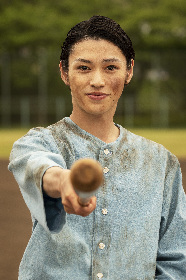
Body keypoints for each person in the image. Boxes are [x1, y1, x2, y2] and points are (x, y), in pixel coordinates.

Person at [9, 15, 186, 280]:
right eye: (83, 68)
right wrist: (64, 180)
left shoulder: (162, 163)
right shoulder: (40, 142)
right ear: (64, 72)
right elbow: (37, 164)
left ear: (129, 71)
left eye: (111, 67)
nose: (97, 81)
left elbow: (176, 259)